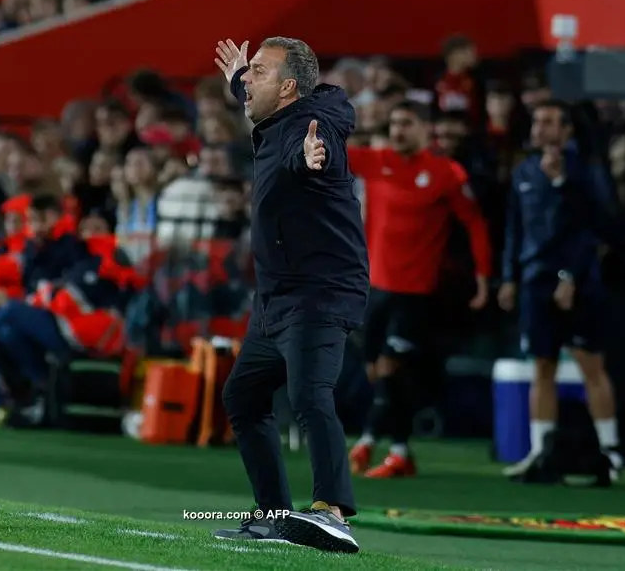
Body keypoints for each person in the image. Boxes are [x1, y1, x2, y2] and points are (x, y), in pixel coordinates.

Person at [210, 37, 368, 554]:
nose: (247, 78)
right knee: (244, 396)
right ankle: (274, 515)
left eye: (258, 71)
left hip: (319, 293)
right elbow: (256, 99)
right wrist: (238, 78)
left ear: (289, 87)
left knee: (308, 395)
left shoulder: (310, 129)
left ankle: (333, 513)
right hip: (278, 298)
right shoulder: (281, 116)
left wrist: (310, 158)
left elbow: (308, 154)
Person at [347, 100, 492, 478]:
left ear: (425, 130)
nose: (397, 130)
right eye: (393, 122)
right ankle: (400, 452)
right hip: (375, 288)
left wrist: (483, 276)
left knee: (392, 366)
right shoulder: (375, 161)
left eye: (406, 123)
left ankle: (366, 442)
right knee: (379, 372)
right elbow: (324, 153)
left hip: (416, 293)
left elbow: (475, 225)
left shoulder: (446, 173)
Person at [498, 99, 625, 481]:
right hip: (534, 283)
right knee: (541, 365)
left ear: (566, 129)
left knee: (592, 364)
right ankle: (542, 452)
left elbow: (595, 230)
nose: (539, 128)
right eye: (537, 121)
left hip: (580, 284)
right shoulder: (524, 170)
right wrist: (508, 277)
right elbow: (515, 229)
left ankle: (611, 453)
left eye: (548, 122)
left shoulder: (585, 172)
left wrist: (569, 276)